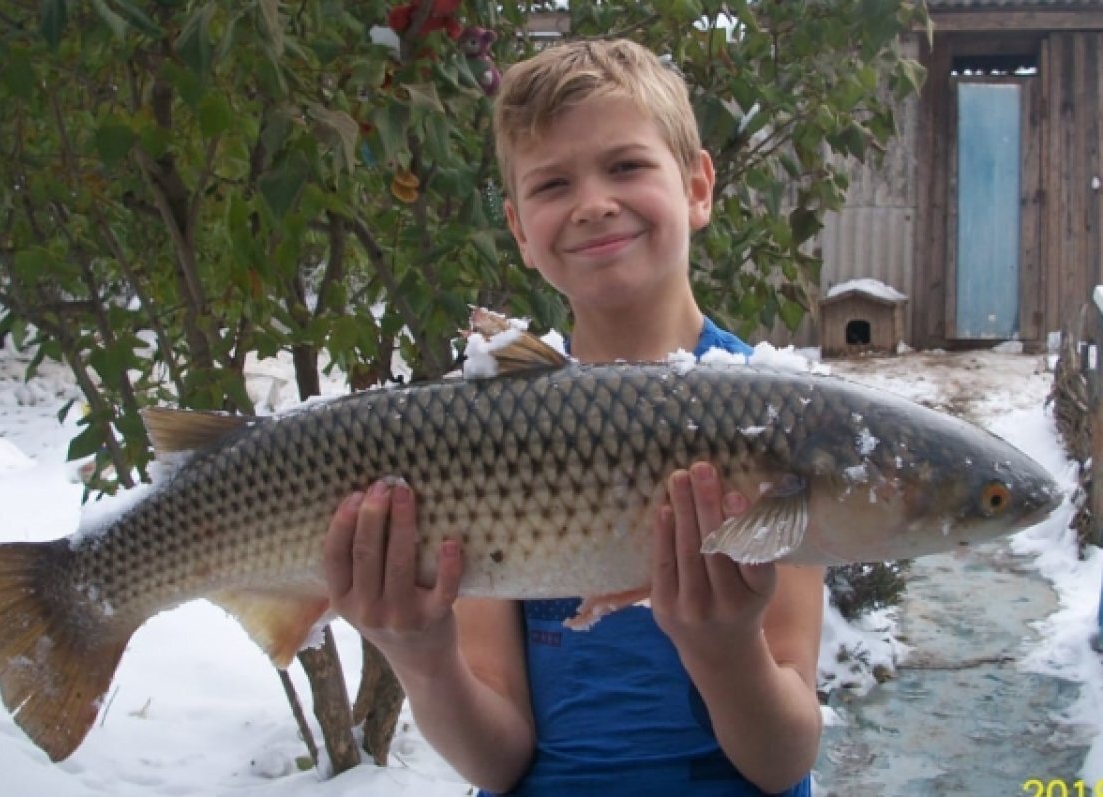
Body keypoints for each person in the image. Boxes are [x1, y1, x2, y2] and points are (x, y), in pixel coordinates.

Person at [322, 38, 825, 796]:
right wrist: (421, 657)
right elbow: (498, 760)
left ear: (697, 186)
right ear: (520, 230)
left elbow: (783, 759)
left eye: (625, 166)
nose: (593, 203)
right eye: (554, 183)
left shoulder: (778, 419)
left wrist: (726, 650)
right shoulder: (486, 426)